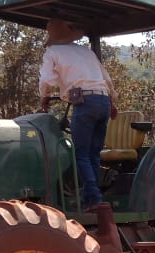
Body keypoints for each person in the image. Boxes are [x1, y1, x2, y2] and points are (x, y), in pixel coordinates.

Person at [38, 18, 116, 211]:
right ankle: (92, 193)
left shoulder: (53, 52)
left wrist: (43, 99)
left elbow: (47, 80)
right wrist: (112, 102)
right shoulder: (86, 52)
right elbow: (106, 79)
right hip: (103, 100)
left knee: (79, 154)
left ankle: (93, 199)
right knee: (93, 153)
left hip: (85, 103)